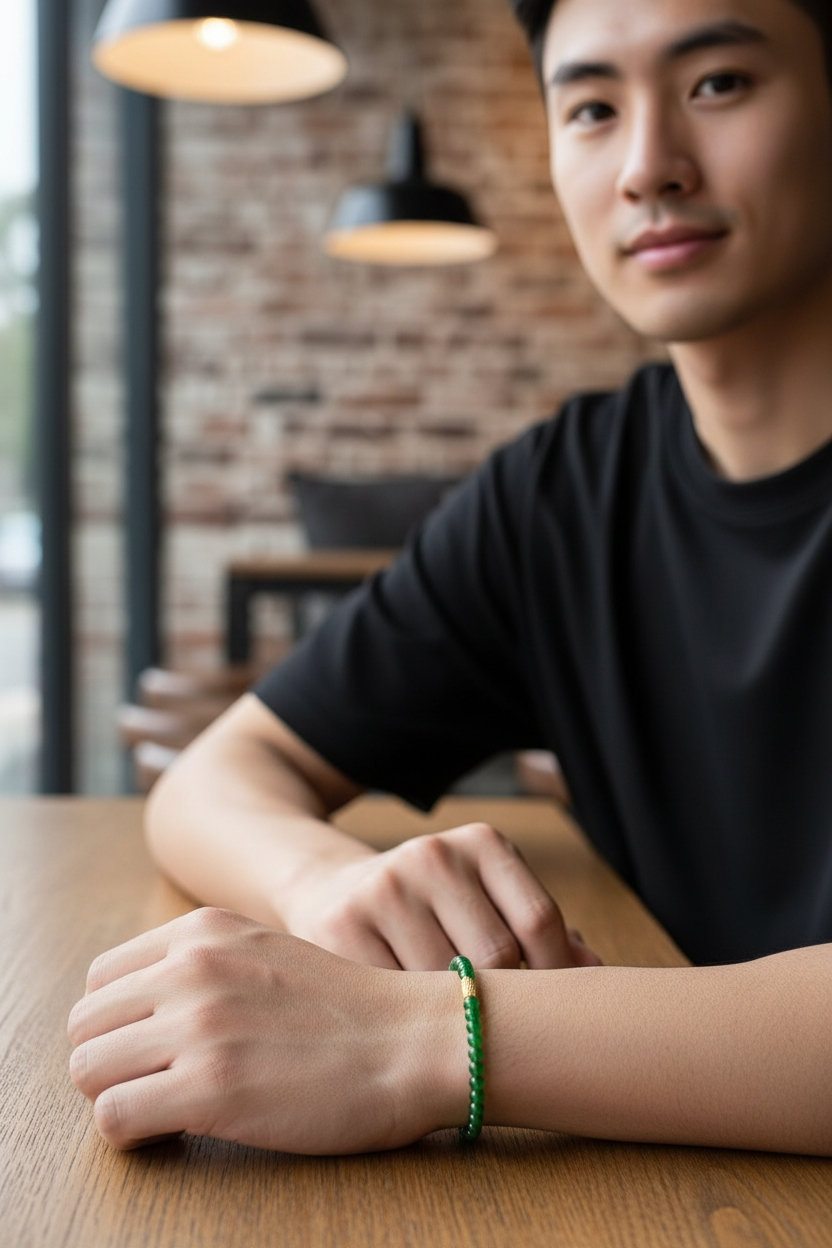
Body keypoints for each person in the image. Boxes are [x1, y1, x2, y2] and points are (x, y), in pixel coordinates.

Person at [69, 0, 832, 1157]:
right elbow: (213, 779)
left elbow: (424, 1036)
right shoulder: (558, 495)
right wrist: (331, 884)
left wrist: (422, 1041)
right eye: (588, 107)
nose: (646, 167)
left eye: (717, 84)